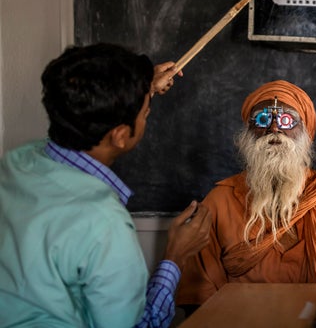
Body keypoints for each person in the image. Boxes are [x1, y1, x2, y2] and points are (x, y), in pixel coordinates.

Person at [0, 43, 211, 328]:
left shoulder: (18, 162)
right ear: (121, 136)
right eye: (146, 113)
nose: (147, 113)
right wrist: (175, 257)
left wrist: (141, 89)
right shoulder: (102, 222)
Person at [176, 80, 316, 308]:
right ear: (247, 133)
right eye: (262, 119)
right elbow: (200, 294)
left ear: (305, 132)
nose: (274, 129)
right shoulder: (219, 201)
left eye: (286, 120)